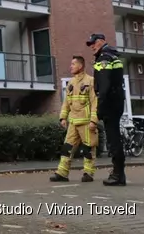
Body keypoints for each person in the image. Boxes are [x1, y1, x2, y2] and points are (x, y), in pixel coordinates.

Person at [50, 55, 98, 183]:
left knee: (88, 149)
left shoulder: (91, 81)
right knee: (67, 148)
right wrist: (62, 117)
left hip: (86, 122)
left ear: (80, 66)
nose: (70, 66)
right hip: (73, 122)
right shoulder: (71, 82)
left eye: (73, 64)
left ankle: (88, 173)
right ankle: (62, 173)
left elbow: (95, 102)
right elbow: (67, 102)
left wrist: (94, 120)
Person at [87, 33, 126, 186]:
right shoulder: (113, 55)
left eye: (93, 43)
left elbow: (104, 86)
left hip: (109, 103)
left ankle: (117, 174)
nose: (91, 46)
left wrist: (100, 108)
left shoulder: (104, 58)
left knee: (113, 140)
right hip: (117, 101)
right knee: (115, 137)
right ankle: (119, 173)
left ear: (102, 41)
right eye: (90, 44)